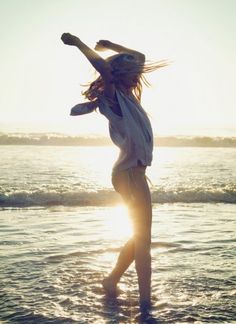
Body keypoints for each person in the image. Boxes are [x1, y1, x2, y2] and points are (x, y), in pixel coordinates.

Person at [61, 33, 166, 313]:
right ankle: (145, 304)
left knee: (141, 236)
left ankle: (111, 280)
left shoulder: (128, 95)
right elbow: (104, 69)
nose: (136, 76)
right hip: (129, 172)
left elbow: (140, 57)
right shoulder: (113, 95)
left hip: (133, 173)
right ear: (119, 75)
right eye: (130, 72)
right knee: (143, 238)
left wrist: (111, 46)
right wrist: (79, 44)